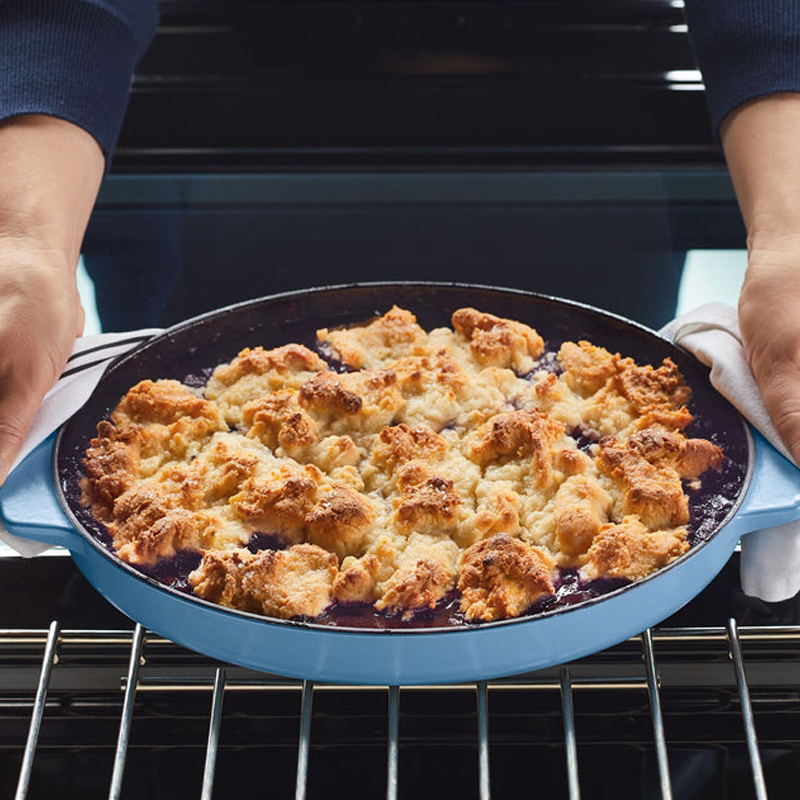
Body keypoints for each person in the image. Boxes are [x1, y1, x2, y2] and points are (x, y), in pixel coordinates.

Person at [0, 0, 798, 483]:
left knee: (588, 428)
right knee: (177, 428)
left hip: (573, 147)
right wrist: (25, 242)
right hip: (226, 142)